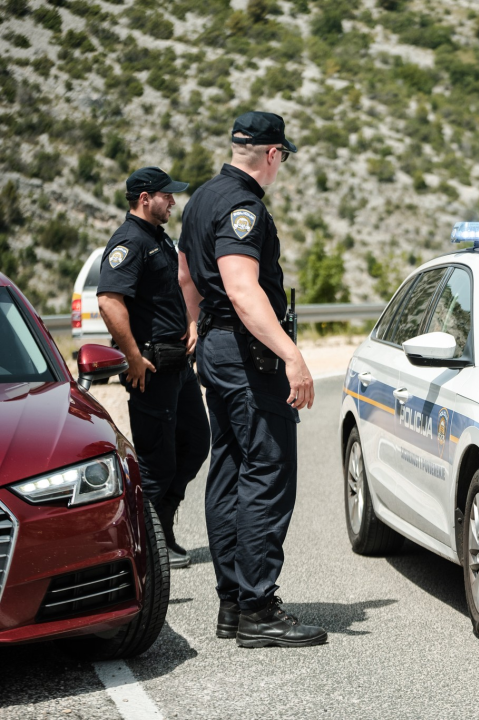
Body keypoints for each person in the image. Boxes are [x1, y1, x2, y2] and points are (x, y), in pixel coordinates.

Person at [177, 111, 326, 648]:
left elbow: (186, 275)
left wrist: (196, 324)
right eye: (282, 157)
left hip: (217, 348)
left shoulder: (201, 199)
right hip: (247, 354)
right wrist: (292, 355)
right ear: (273, 154)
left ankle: (233, 604)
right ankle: (259, 609)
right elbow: (242, 289)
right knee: (266, 472)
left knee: (230, 471)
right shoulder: (244, 207)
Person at [96, 167, 210, 570]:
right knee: (156, 462)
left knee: (196, 442)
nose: (173, 201)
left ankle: (160, 526)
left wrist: (191, 323)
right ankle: (144, 548)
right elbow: (109, 300)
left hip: (178, 365)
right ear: (145, 199)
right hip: (150, 368)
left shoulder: (158, 238)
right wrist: (131, 356)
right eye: (167, 195)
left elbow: (174, 290)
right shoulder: (129, 241)